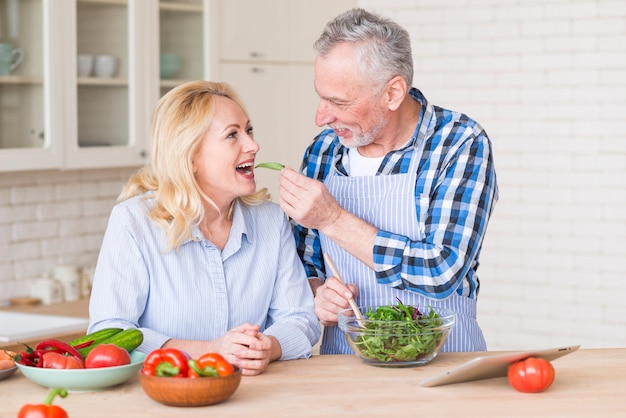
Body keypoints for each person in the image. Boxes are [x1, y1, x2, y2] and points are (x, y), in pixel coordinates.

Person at [278, 8, 498, 354]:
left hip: (444, 362)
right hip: (347, 366)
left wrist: (333, 220)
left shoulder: (458, 143)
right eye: (321, 96)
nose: (320, 117)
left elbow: (441, 270)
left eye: (338, 101)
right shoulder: (322, 152)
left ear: (393, 93)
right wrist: (318, 292)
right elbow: (302, 264)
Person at [88, 80, 321, 376]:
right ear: (190, 156)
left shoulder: (271, 221)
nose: (253, 145)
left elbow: (300, 318)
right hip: (166, 399)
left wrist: (269, 346)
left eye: (248, 130)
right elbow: (109, 332)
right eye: (232, 135)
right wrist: (209, 350)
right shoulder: (134, 222)